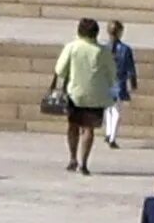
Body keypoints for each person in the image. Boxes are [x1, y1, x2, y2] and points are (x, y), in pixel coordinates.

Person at [52, 16, 117, 175]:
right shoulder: (103, 51)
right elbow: (112, 74)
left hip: (75, 94)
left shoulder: (72, 47)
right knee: (88, 129)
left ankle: (73, 158)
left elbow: (60, 70)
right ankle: (84, 163)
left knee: (73, 126)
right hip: (96, 95)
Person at [104, 19, 137, 150]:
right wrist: (133, 82)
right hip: (119, 81)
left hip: (106, 81)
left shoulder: (104, 48)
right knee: (117, 110)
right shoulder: (125, 49)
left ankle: (108, 132)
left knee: (109, 109)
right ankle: (112, 136)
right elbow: (131, 68)